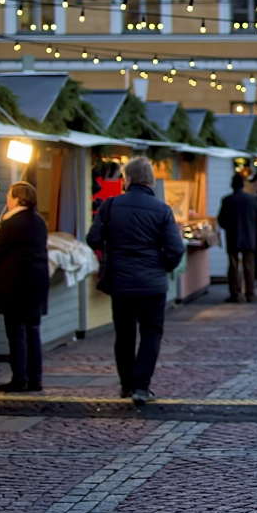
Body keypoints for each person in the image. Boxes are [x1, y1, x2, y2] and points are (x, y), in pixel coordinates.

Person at [87, 157, 185, 404]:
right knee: (151, 332)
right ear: (150, 180)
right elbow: (175, 249)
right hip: (152, 283)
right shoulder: (162, 210)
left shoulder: (109, 206)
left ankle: (127, 385)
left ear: (127, 179)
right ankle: (142, 386)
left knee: (124, 334)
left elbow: (93, 240)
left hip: (120, 281)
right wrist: (161, 267)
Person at [0, 182, 49, 393]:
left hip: (16, 285)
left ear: (18, 198)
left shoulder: (13, 222)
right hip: (37, 284)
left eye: (9, 196)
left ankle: (19, 378)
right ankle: (35, 378)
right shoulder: (39, 221)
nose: (7, 200)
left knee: (16, 333)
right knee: (33, 331)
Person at [217, 173, 257, 303]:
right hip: (249, 237)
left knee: (233, 266)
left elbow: (221, 220)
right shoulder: (252, 199)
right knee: (249, 265)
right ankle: (250, 293)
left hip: (233, 236)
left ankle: (235, 293)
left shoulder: (227, 200)